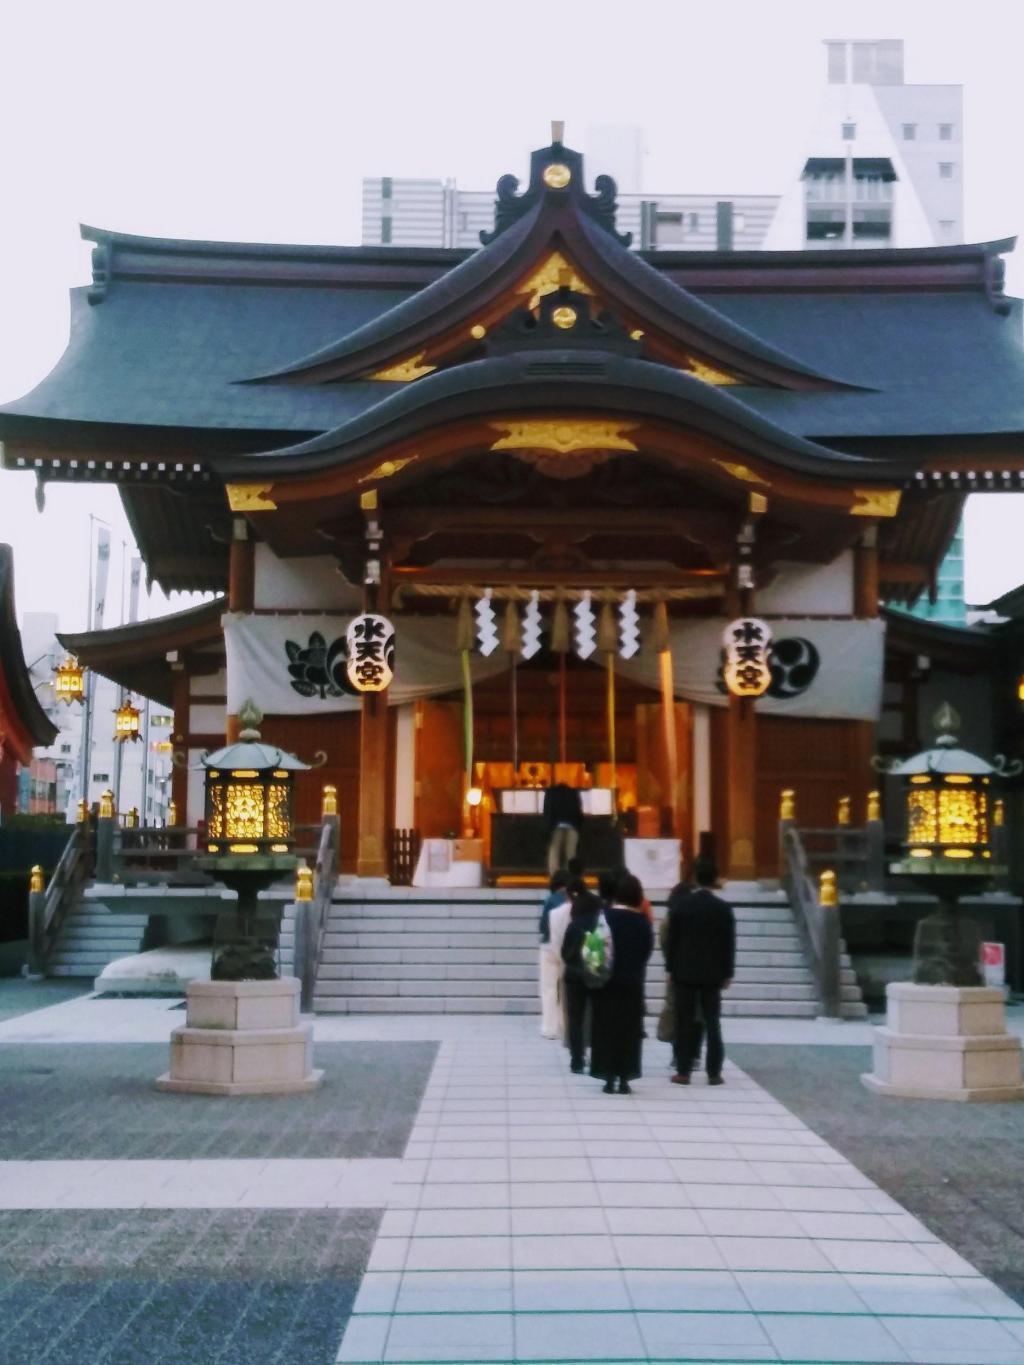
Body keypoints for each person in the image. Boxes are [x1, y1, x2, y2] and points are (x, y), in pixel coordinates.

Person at [664, 856, 734, 1086]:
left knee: (685, 1021)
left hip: (685, 971)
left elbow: (672, 941)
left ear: (694, 877)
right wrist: (727, 972)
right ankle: (714, 1071)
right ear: (714, 879)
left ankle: (684, 1069)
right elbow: (728, 943)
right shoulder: (723, 909)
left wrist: (670, 968)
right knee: (712, 1021)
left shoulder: (682, 907)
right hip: (712, 972)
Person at [589, 873, 653, 1094]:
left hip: (607, 982)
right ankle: (625, 1077)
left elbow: (593, 947)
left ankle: (607, 1076)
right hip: (632, 983)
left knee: (606, 1027)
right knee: (629, 1030)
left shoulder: (604, 916)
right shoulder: (643, 923)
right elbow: (647, 951)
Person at [560, 886, 601, 1073]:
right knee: (596, 1017)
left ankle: (577, 1059)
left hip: (574, 975)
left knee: (576, 1018)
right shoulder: (599, 924)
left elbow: (564, 952)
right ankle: (597, 1057)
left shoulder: (574, 925)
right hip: (594, 973)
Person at [538, 871, 569, 1038]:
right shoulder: (572, 901)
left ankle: (549, 1028)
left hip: (549, 947)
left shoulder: (550, 900)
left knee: (549, 988)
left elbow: (543, 925)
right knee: (565, 989)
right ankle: (565, 1025)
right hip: (567, 949)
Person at [542, 781, 584, 876]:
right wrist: (580, 825)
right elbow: (579, 810)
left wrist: (547, 825)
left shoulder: (550, 792)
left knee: (554, 851)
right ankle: (571, 875)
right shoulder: (574, 792)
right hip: (572, 824)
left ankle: (555, 875)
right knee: (571, 852)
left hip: (556, 825)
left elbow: (547, 810)